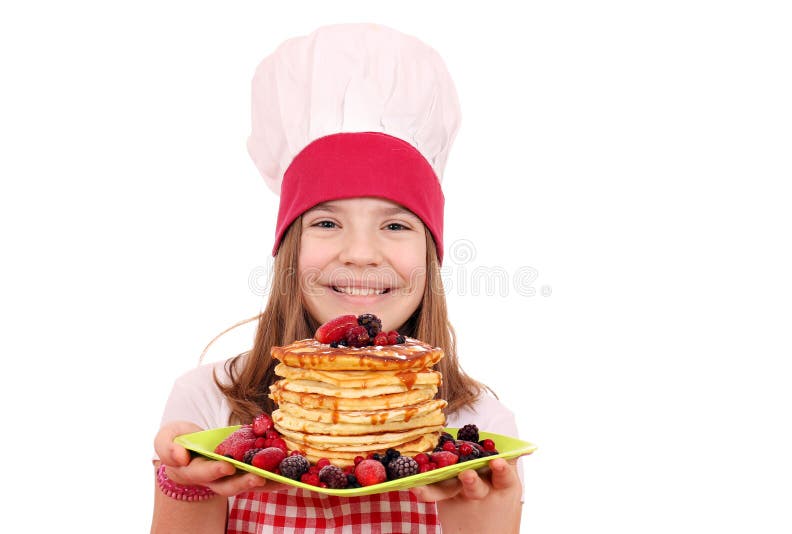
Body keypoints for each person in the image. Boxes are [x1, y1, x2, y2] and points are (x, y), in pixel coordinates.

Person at [151, 23, 524, 534]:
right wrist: (188, 483)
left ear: (431, 253)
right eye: (326, 223)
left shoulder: (474, 430)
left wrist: (484, 521)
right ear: (289, 248)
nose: (361, 253)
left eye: (395, 225)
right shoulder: (208, 404)